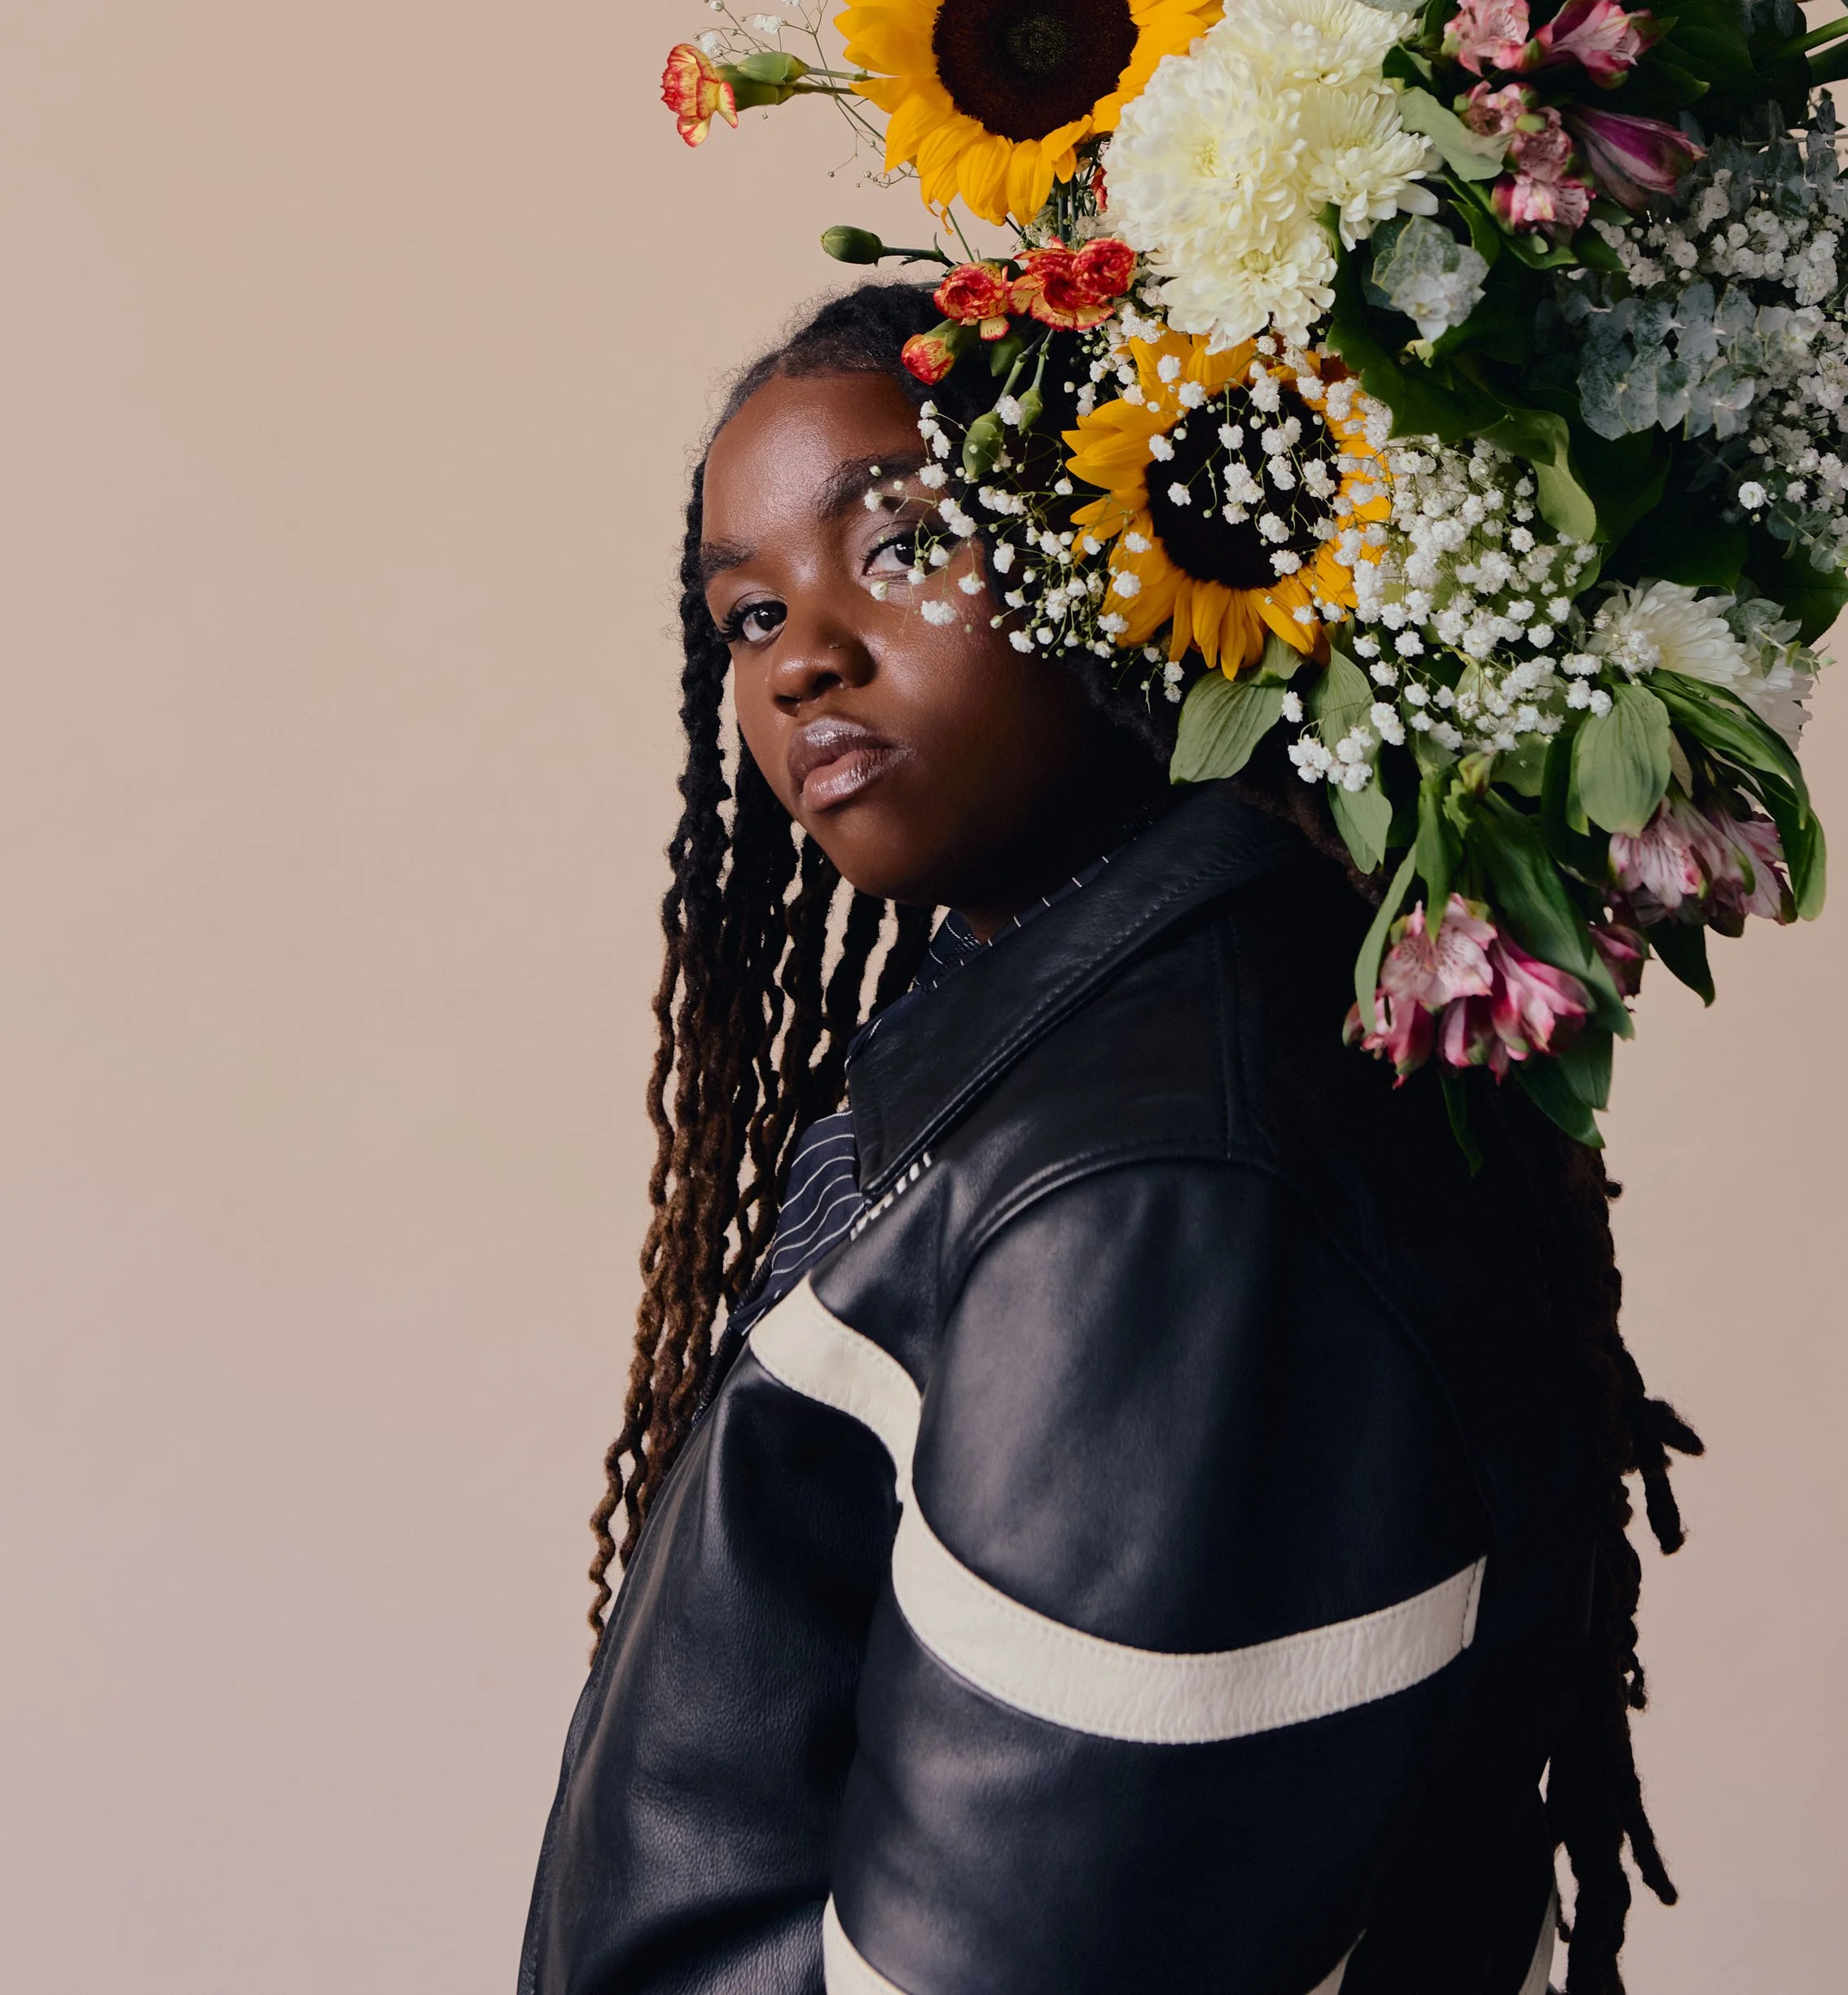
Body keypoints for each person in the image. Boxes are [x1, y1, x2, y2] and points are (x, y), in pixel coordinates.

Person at [519, 286, 1699, 1995]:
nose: (798, 658)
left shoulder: (1155, 1184)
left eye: (902, 544)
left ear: (1127, 541)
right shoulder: (1059, 1067)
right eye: (749, 613)